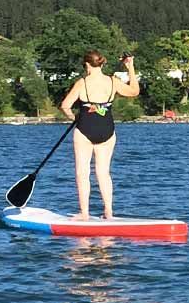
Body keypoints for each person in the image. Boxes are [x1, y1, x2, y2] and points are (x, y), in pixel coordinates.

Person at [59, 50, 140, 220]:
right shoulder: (113, 81)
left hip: (84, 129)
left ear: (87, 65)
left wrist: (75, 118)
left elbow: (65, 106)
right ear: (102, 64)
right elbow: (134, 91)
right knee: (103, 173)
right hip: (107, 130)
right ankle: (109, 212)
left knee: (82, 172)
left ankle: (85, 213)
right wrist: (130, 66)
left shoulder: (82, 83)